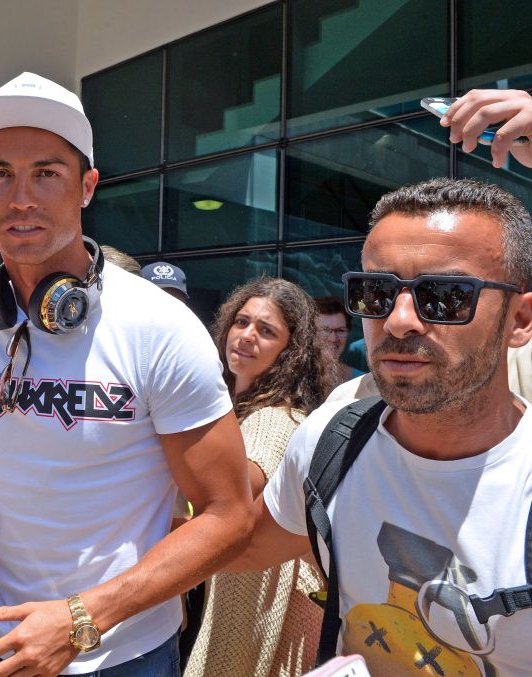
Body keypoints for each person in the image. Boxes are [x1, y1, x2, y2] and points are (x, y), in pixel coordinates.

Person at [0, 71, 252, 677]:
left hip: (124, 653)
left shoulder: (158, 327)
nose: (21, 198)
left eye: (47, 173)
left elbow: (229, 516)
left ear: (87, 186)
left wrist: (82, 617)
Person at [224, 177, 532, 674]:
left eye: (446, 296)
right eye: (375, 292)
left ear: (519, 319)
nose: (398, 320)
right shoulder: (332, 441)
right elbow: (239, 545)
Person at [186, 277, 323, 677]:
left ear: (289, 352)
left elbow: (240, 487)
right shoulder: (235, 408)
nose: (246, 336)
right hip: (244, 584)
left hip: (265, 593)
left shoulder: (275, 417)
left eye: (266, 331)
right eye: (242, 322)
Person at [313, 296, 365, 398]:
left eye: (340, 331)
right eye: (325, 330)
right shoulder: (292, 377)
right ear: (310, 333)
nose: (333, 339)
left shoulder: (361, 382)